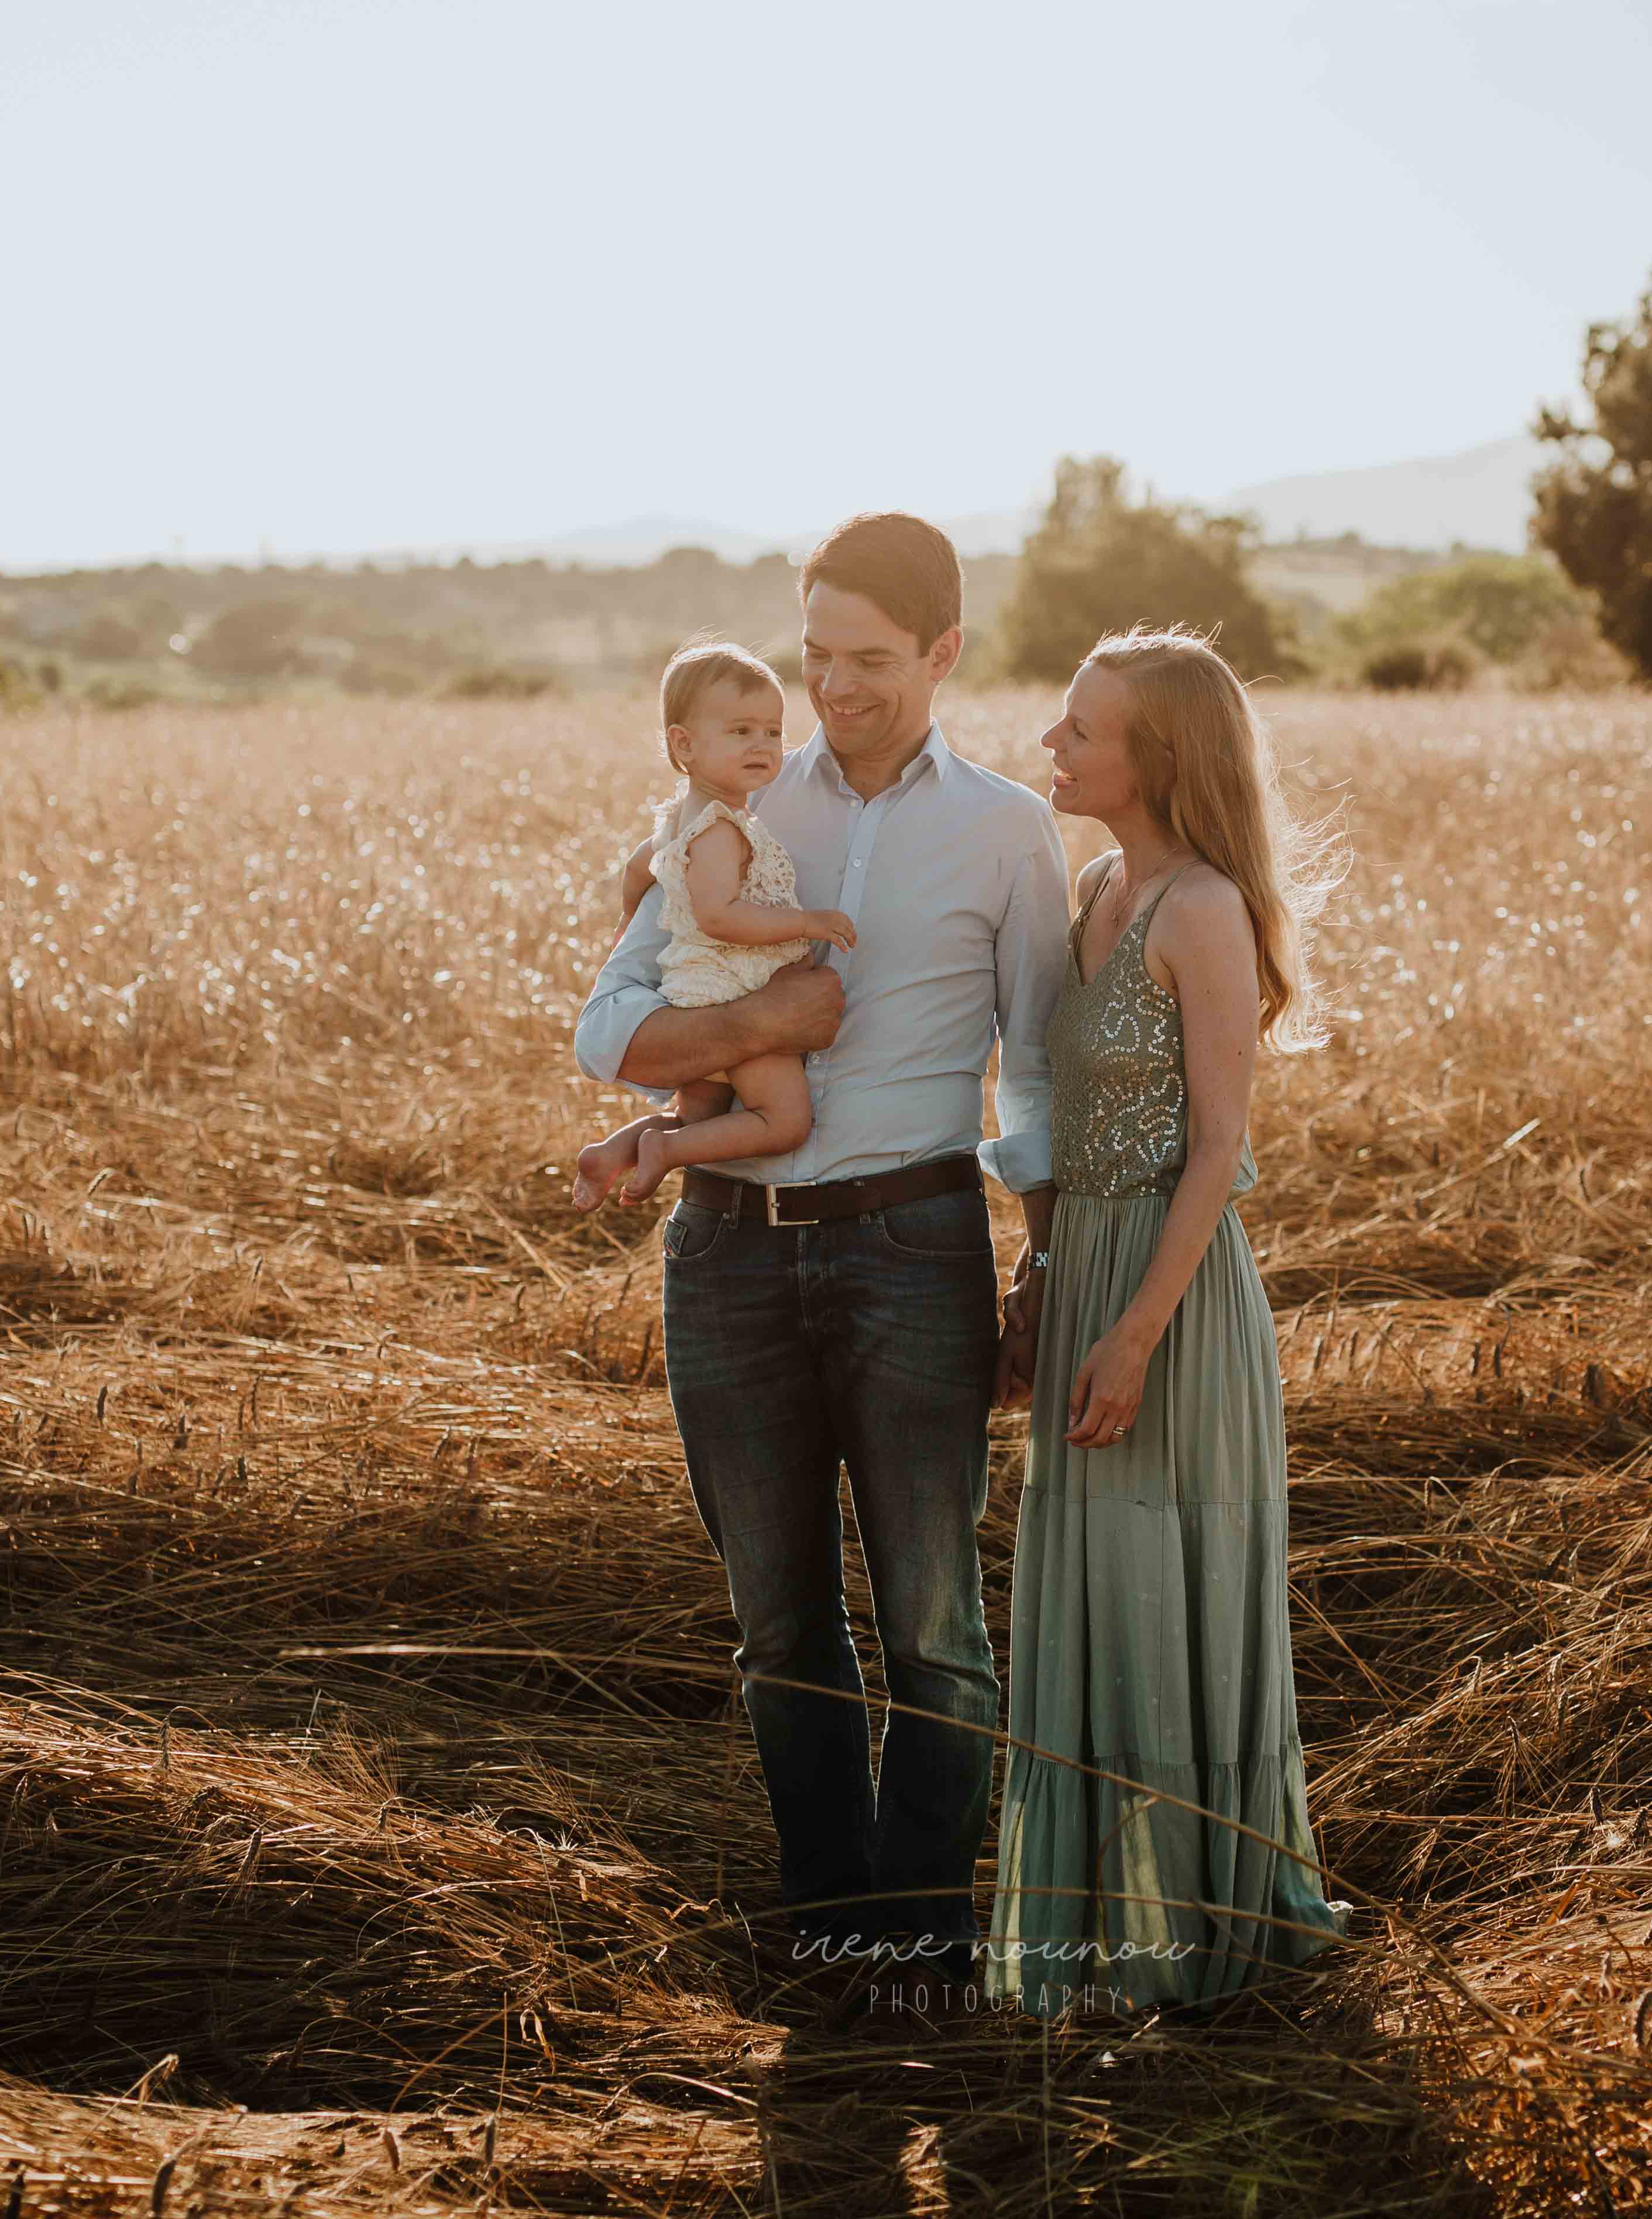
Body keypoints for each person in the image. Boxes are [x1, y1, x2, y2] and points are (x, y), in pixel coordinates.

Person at [570, 512, 1070, 1997]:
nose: (833, 688)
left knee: (933, 1623)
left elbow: (1035, 1075)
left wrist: (1043, 1267)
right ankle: (831, 1923)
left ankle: (922, 1934)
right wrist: (753, 1031)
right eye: (813, 656)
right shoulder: (726, 804)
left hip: (914, 1242)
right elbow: (609, 1031)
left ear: (942, 652)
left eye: (867, 658)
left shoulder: (1006, 829)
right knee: (778, 1623)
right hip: (723, 1255)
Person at [986, 627, 1347, 2018]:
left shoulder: (1197, 907)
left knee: (1163, 1593)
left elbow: (1216, 1150)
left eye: (1082, 730)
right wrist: (1040, 1281)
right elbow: (1048, 1118)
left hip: (1172, 1296)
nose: (1052, 747)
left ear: (1162, 757)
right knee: (1088, 1592)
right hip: (1082, 1269)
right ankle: (1098, 1932)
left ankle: (1197, 1923)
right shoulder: (1092, 888)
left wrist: (1134, 1330)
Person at [570, 642, 858, 1212]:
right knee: (782, 1118)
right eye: (740, 730)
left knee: (695, 1113)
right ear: (684, 744)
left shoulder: (680, 815)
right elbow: (719, 916)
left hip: (695, 987)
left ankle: (614, 1151)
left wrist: (632, 917)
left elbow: (639, 868)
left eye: (773, 732)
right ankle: (666, 1151)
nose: (762, 745)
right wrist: (805, 922)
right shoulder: (722, 826)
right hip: (737, 988)